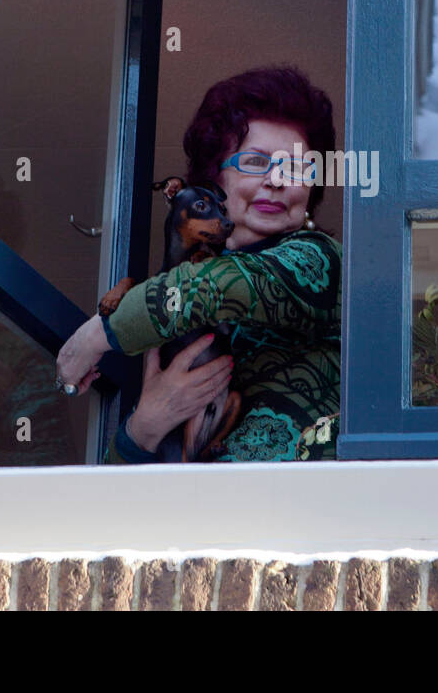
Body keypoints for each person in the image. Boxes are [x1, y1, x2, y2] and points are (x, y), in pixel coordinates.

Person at [55, 65, 341, 462]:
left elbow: (219, 288)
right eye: (256, 163)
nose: (278, 180)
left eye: (295, 167)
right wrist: (144, 428)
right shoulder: (171, 303)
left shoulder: (321, 260)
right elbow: (118, 504)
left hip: (298, 518)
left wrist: (94, 337)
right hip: (194, 521)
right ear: (213, 180)